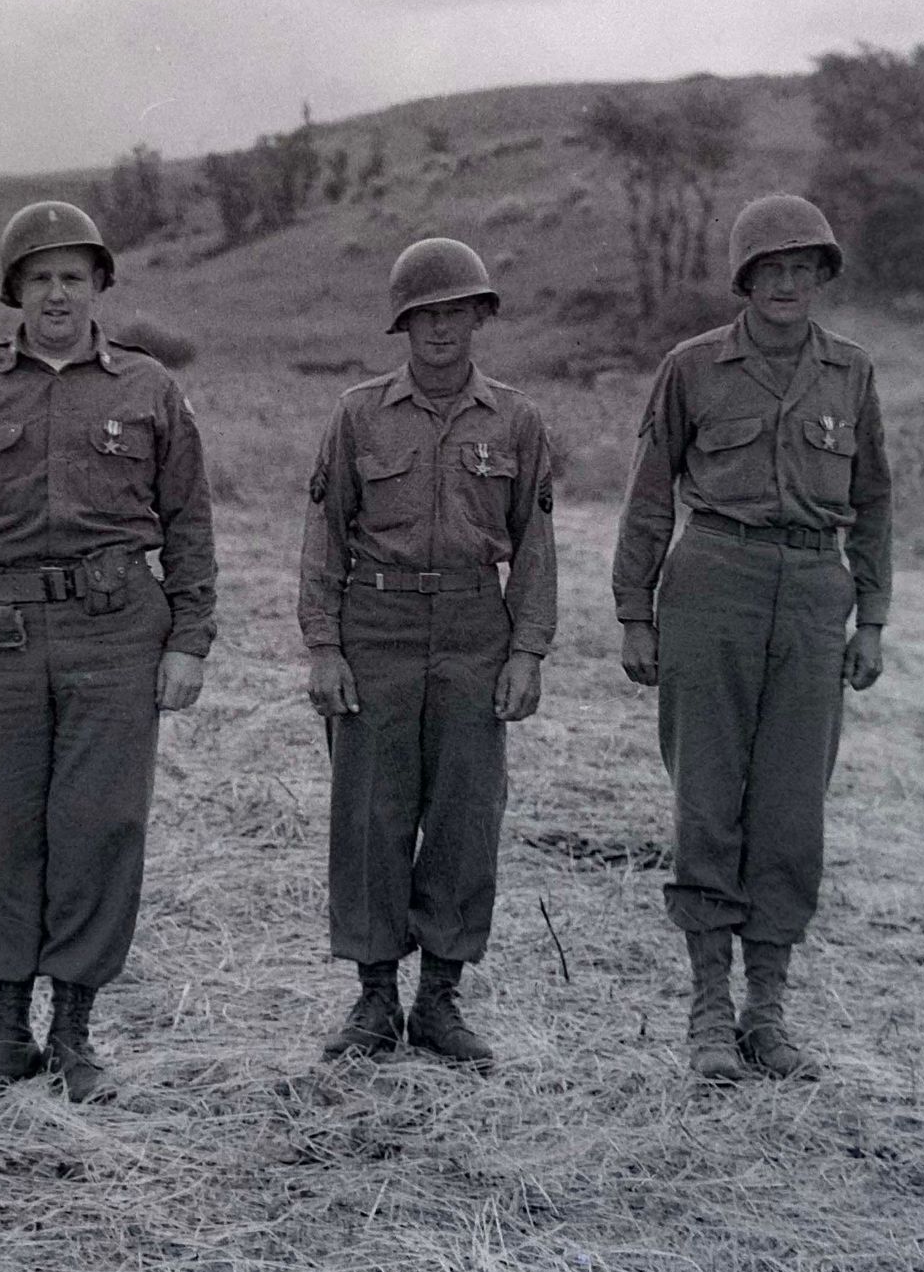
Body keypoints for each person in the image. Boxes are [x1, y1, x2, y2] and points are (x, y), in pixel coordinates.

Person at [0, 201, 215, 1104]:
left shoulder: (148, 387)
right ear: (15, 292)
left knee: (100, 826)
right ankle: (4, 1033)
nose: (57, 294)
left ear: (99, 285)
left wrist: (190, 639)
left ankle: (74, 1033)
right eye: (39, 279)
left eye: (73, 276)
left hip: (116, 630)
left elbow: (188, 520)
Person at [611, 195, 891, 1083]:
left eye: (803, 268)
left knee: (791, 810)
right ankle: (707, 1011)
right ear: (745, 279)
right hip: (711, 586)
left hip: (812, 593)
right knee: (707, 800)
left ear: (821, 278)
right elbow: (649, 496)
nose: (787, 284)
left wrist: (873, 618)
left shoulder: (851, 373)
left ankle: (765, 1014)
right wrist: (634, 613)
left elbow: (874, 501)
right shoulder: (692, 368)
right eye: (771, 269)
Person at [299, 238, 557, 1071]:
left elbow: (535, 546)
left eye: (456, 313)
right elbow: (323, 536)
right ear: (402, 326)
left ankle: (440, 997)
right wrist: (324, 646)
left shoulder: (515, 419)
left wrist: (527, 651)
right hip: (376, 625)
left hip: (475, 628)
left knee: (464, 813)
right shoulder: (358, 415)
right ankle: (375, 996)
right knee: (370, 814)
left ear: (480, 318)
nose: (440, 329)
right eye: (423, 316)